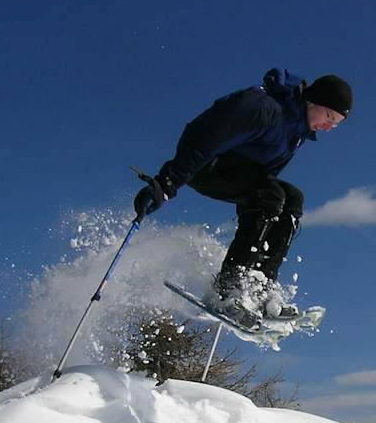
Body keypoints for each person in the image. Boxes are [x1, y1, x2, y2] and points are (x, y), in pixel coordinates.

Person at [135, 68, 351, 325]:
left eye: (335, 124)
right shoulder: (262, 107)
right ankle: (227, 290)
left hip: (235, 169)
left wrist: (256, 209)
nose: (328, 127)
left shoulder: (296, 134)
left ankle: (260, 289)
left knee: (292, 199)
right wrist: (167, 181)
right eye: (329, 116)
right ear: (313, 100)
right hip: (206, 164)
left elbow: (262, 178)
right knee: (271, 195)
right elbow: (206, 135)